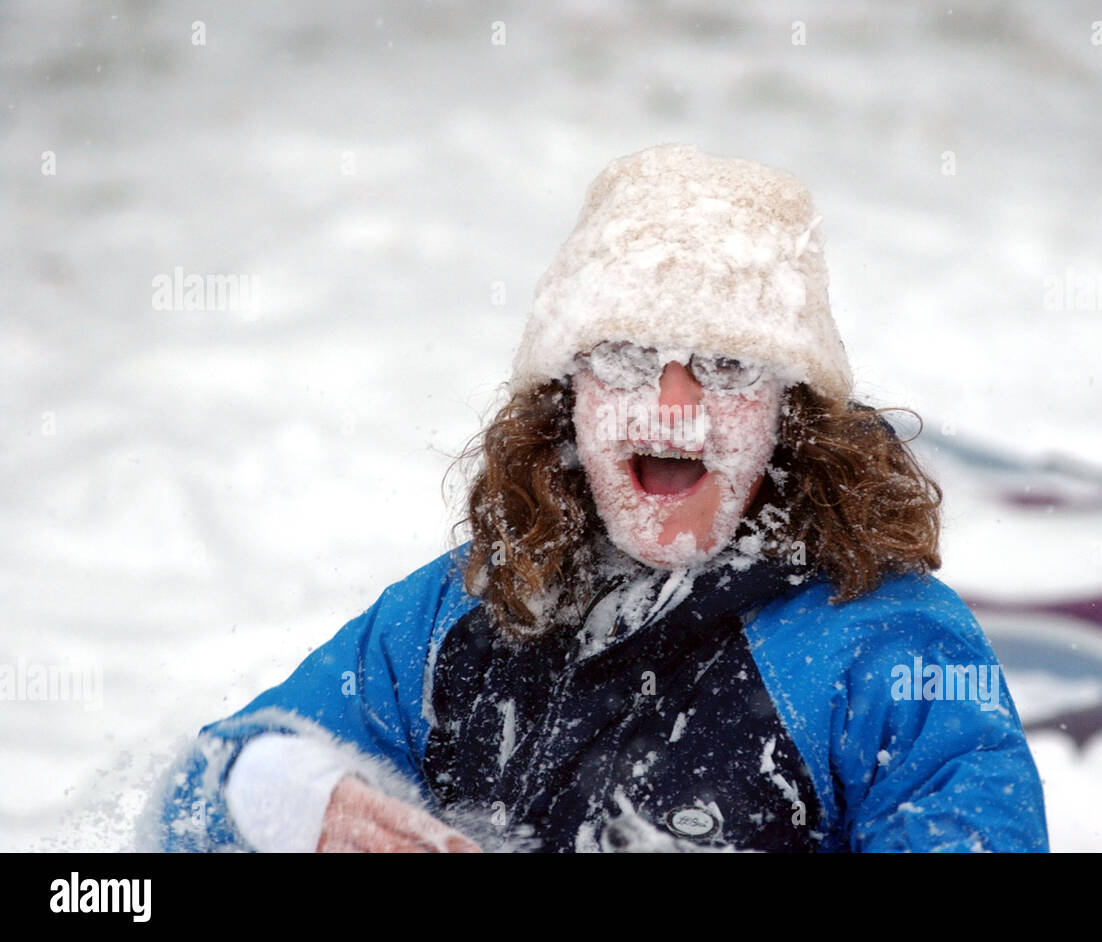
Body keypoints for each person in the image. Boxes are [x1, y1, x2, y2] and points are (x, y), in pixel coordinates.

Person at [153, 143, 1049, 853]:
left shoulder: (887, 643)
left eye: (727, 366)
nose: (674, 408)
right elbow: (193, 797)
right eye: (624, 357)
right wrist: (288, 798)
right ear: (565, 397)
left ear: (793, 413)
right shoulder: (454, 617)